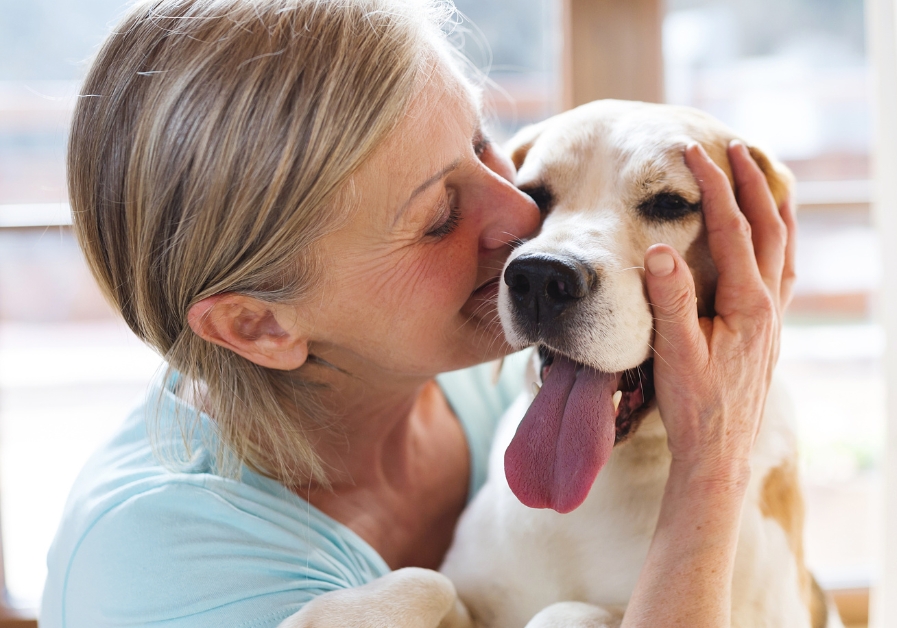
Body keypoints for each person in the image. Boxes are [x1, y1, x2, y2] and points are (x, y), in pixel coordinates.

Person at [41, 0, 796, 626]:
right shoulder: (161, 574)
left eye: (483, 147)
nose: (522, 222)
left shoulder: (488, 381)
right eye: (438, 214)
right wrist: (713, 465)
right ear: (261, 325)